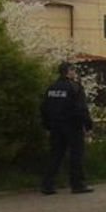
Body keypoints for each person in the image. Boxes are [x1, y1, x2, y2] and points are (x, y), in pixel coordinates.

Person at [40, 61, 94, 194]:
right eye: (73, 70)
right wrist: (88, 126)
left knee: (55, 155)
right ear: (69, 71)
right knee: (76, 155)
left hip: (55, 127)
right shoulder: (75, 87)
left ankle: (47, 185)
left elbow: (44, 108)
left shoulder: (51, 87)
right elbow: (81, 109)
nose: (75, 73)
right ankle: (77, 185)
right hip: (72, 126)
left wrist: (47, 126)